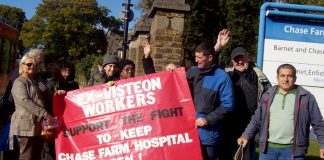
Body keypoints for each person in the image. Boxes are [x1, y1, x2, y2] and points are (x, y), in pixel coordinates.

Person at [237, 64, 324, 160]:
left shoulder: (306, 97)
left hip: (293, 151)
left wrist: (323, 144)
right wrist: (246, 135)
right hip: (268, 150)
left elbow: (318, 123)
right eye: (282, 76)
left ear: (295, 78)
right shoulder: (267, 95)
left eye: (289, 76)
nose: (286, 79)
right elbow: (257, 119)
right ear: (277, 78)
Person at [220, 47, 271, 160]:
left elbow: (269, 99)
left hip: (249, 125)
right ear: (232, 61)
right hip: (228, 124)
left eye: (242, 58)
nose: (239, 62)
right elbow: (207, 67)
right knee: (226, 155)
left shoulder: (259, 76)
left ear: (247, 58)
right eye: (236, 59)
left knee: (246, 156)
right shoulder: (225, 74)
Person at [186, 41, 234, 160]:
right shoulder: (193, 71)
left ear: (210, 58)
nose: (196, 60)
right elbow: (174, 83)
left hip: (208, 136)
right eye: (195, 57)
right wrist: (172, 70)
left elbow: (228, 105)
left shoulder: (222, 77)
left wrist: (208, 120)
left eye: (199, 57)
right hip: (189, 133)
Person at [9, 51, 52, 160]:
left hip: (36, 126)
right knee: (26, 156)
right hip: (25, 127)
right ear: (22, 66)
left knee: (36, 156)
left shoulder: (34, 81)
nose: (32, 66)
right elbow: (25, 101)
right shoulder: (19, 82)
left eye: (34, 64)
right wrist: (44, 113)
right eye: (29, 64)